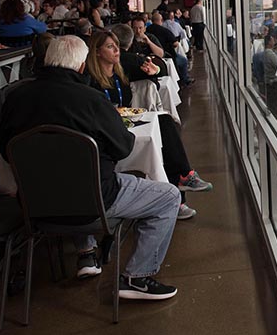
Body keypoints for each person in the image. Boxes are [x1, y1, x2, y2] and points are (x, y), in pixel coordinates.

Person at [0, 36, 180, 299]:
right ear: (83, 66)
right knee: (168, 197)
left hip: (33, 204)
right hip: (94, 203)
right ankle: (136, 277)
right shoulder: (91, 100)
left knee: (65, 177)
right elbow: (124, 148)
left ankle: (86, 253)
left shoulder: (15, 99)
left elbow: (6, 151)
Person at [88, 29, 212, 221]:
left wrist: (154, 72)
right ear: (97, 52)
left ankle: (184, 177)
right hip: (109, 134)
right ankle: (178, 195)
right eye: (110, 47)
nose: (116, 51)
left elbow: (158, 65)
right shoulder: (90, 80)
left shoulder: (122, 69)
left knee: (164, 121)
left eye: (116, 46)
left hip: (126, 122)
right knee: (160, 144)